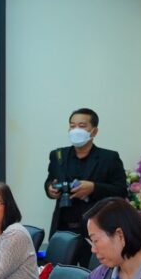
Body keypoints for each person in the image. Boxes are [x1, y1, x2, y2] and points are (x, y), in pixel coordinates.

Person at [44, 108, 127, 262]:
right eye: (72, 126)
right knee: (58, 269)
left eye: (82, 126)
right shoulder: (58, 155)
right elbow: (50, 181)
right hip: (63, 227)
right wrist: (50, 189)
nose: (76, 130)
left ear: (94, 131)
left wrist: (93, 188)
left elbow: (121, 191)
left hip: (96, 229)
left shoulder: (109, 158)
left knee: (92, 271)